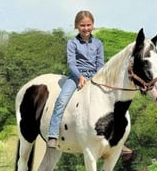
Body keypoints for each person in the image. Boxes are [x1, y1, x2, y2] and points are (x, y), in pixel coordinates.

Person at [47, 10, 132, 155]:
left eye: (88, 25)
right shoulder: (72, 43)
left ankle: (117, 140)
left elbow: (100, 64)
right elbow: (71, 64)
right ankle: (53, 134)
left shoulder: (98, 44)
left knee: (115, 103)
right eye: (82, 25)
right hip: (76, 77)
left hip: (95, 77)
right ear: (77, 26)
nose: (86, 28)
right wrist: (80, 77)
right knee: (61, 100)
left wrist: (98, 79)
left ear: (93, 25)